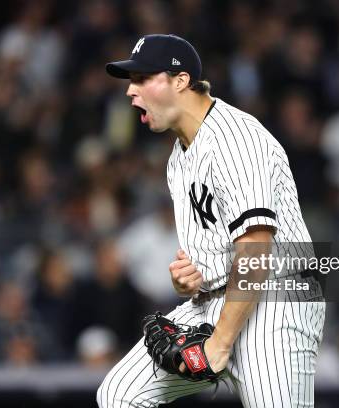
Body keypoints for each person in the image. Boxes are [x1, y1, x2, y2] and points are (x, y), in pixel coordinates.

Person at [98, 34, 325, 408]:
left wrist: (220, 342)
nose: (130, 92)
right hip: (213, 302)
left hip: (274, 303)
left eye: (141, 79)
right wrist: (190, 276)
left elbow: (256, 247)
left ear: (180, 80)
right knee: (118, 396)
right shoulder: (179, 155)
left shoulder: (236, 139)